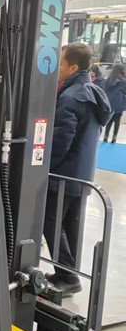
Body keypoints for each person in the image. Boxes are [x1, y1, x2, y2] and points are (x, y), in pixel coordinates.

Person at [44, 42, 111, 296]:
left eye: (60, 63)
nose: (57, 68)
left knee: (50, 223)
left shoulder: (70, 97)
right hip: (82, 175)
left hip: (63, 175)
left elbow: (61, 141)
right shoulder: (94, 92)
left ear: (73, 68)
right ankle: (65, 273)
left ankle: (69, 276)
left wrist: (43, 168)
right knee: (71, 226)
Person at [103, 63, 126, 143]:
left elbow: (104, 90)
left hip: (109, 103)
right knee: (117, 121)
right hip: (119, 104)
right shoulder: (123, 81)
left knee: (109, 121)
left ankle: (105, 136)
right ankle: (114, 137)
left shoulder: (108, 79)